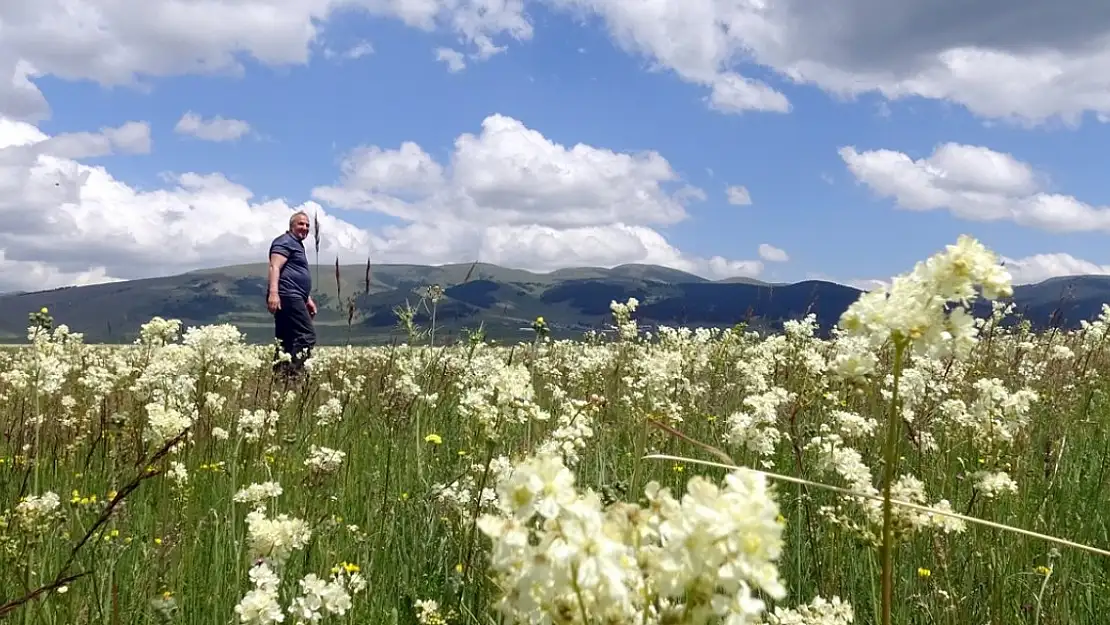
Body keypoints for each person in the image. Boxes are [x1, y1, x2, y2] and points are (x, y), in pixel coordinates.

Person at [267, 211, 318, 378]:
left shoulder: (296, 244)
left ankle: (278, 378)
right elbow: (275, 267)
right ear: (292, 226)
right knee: (306, 336)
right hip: (288, 295)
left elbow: (294, 272)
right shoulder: (284, 242)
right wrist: (274, 293)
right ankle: (292, 375)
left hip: (295, 296)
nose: (305, 228)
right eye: (301, 224)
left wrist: (307, 298)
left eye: (307, 225)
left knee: (285, 339)